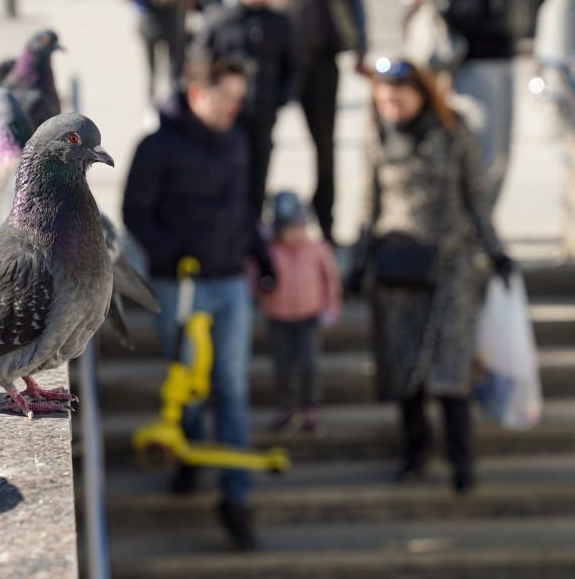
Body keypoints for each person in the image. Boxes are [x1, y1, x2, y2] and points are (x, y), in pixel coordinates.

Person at [123, 56, 275, 550]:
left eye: (238, 97)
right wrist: (171, 252)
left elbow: (245, 208)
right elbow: (135, 213)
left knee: (231, 388)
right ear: (195, 94)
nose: (234, 107)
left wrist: (262, 255)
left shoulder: (236, 140)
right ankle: (186, 456)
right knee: (185, 381)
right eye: (224, 97)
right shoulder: (156, 147)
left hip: (231, 282)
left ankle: (236, 500)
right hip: (182, 285)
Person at [349, 59, 513, 494]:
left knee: (450, 367)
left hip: (450, 260)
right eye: (383, 101)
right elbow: (369, 201)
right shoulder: (376, 135)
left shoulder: (453, 132)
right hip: (396, 265)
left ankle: (462, 460)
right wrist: (358, 258)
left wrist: (496, 251)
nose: (392, 108)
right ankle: (414, 453)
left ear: (421, 94)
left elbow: (475, 196)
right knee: (404, 367)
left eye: (399, 99)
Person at [437, 0, 546, 208]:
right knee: (481, 151)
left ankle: (483, 223)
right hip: (474, 59)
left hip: (506, 54)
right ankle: (472, 224)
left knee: (500, 154)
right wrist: (488, 6)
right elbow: (447, 2)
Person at [192, 0, 296, 220]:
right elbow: (198, 62)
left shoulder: (279, 23)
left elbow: (293, 69)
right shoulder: (219, 19)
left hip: (262, 117)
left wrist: (278, 98)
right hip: (224, 122)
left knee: (256, 181)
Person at [280, 0, 368, 244]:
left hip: (322, 57)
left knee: (326, 148)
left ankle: (326, 224)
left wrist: (360, 45)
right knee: (258, 144)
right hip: (276, 55)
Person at [259, 191, 341, 433]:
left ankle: (310, 408)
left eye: (296, 226)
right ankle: (285, 408)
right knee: (282, 366)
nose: (292, 233)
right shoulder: (268, 250)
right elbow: (254, 278)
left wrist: (331, 307)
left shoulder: (317, 248)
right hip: (277, 316)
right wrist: (260, 285)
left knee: (309, 364)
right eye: (286, 228)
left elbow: (331, 280)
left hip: (309, 315)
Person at [127, 0, 189, 106]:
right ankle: (174, 100)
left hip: (150, 25)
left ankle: (151, 102)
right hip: (173, 25)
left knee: (151, 70)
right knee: (174, 69)